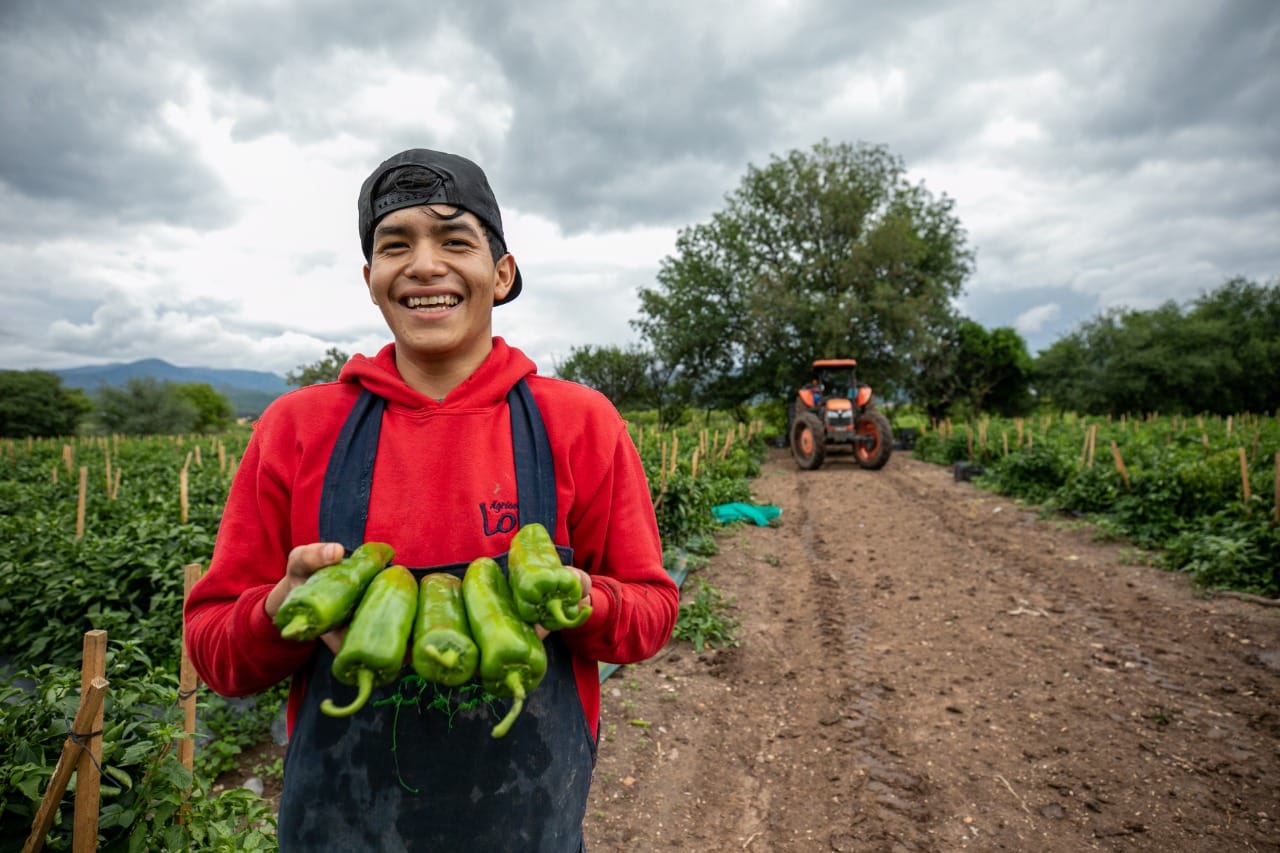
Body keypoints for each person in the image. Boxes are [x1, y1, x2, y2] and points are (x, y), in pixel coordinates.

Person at [183, 148, 680, 851]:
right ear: (371, 280)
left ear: (501, 272)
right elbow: (213, 651)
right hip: (338, 826)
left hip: (527, 822)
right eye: (396, 245)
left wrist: (580, 599)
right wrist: (280, 609)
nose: (423, 264)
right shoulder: (297, 428)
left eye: (455, 240)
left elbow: (652, 611)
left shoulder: (579, 422)